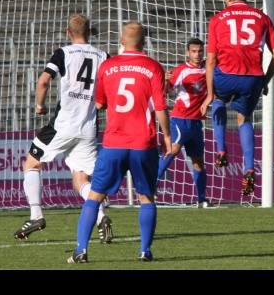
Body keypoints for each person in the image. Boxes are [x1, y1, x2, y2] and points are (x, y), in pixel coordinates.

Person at [68, 21, 172, 263]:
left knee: (95, 195)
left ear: (121, 41)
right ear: (144, 42)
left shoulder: (107, 66)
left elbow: (100, 103)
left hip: (114, 142)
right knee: (146, 197)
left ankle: (81, 250)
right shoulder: (154, 67)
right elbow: (160, 107)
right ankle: (145, 251)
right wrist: (166, 136)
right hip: (143, 143)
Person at [13, 14, 113, 244]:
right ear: (90, 33)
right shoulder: (103, 56)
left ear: (69, 33)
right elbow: (108, 90)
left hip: (63, 125)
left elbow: (43, 81)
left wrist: (40, 106)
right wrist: (99, 104)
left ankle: (36, 215)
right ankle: (101, 216)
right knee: (80, 180)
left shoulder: (64, 53)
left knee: (31, 163)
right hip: (88, 128)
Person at [200, 0, 274, 197]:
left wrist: (209, 94)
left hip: (226, 74)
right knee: (243, 119)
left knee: (218, 99)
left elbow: (210, 60)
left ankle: (220, 148)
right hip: (253, 77)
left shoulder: (218, 19)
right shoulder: (262, 18)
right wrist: (264, 81)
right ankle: (249, 167)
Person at [157, 38, 209, 208]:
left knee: (198, 161)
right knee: (172, 150)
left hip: (196, 123)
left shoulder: (209, 69)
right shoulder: (181, 70)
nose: (197, 54)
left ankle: (202, 199)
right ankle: (151, 187)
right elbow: (165, 91)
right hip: (181, 119)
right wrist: (165, 80)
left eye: (200, 51)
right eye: (194, 51)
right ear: (188, 53)